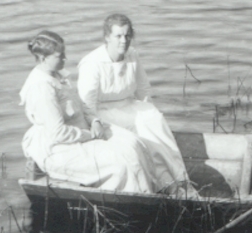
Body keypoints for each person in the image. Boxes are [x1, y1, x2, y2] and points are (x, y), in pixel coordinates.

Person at [19, 30, 155, 193]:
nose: (65, 58)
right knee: (122, 163)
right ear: (43, 58)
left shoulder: (58, 75)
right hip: (60, 147)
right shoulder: (41, 87)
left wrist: (95, 121)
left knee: (133, 142)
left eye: (64, 53)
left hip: (81, 131)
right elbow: (58, 133)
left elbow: (80, 104)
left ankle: (149, 190)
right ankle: (128, 198)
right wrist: (90, 135)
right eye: (60, 56)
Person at [76, 14, 193, 195]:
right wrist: (94, 121)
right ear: (107, 37)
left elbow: (143, 89)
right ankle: (165, 184)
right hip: (103, 112)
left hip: (129, 106)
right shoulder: (92, 63)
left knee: (154, 121)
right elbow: (87, 103)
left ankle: (179, 179)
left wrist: (148, 113)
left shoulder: (132, 55)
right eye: (118, 36)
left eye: (127, 35)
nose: (124, 41)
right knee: (141, 141)